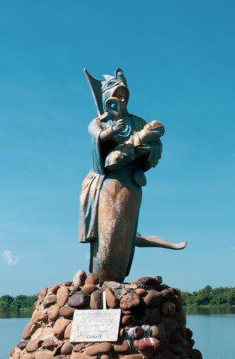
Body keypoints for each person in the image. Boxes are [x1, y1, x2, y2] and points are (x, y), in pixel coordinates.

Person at [79, 68, 186, 282]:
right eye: (116, 95)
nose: (121, 99)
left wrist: (149, 150)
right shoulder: (99, 121)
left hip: (132, 183)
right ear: (106, 98)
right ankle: (100, 280)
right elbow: (104, 152)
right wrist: (113, 131)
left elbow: (155, 149)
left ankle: (117, 280)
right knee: (108, 234)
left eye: (124, 95)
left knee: (125, 234)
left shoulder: (136, 121)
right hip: (107, 183)